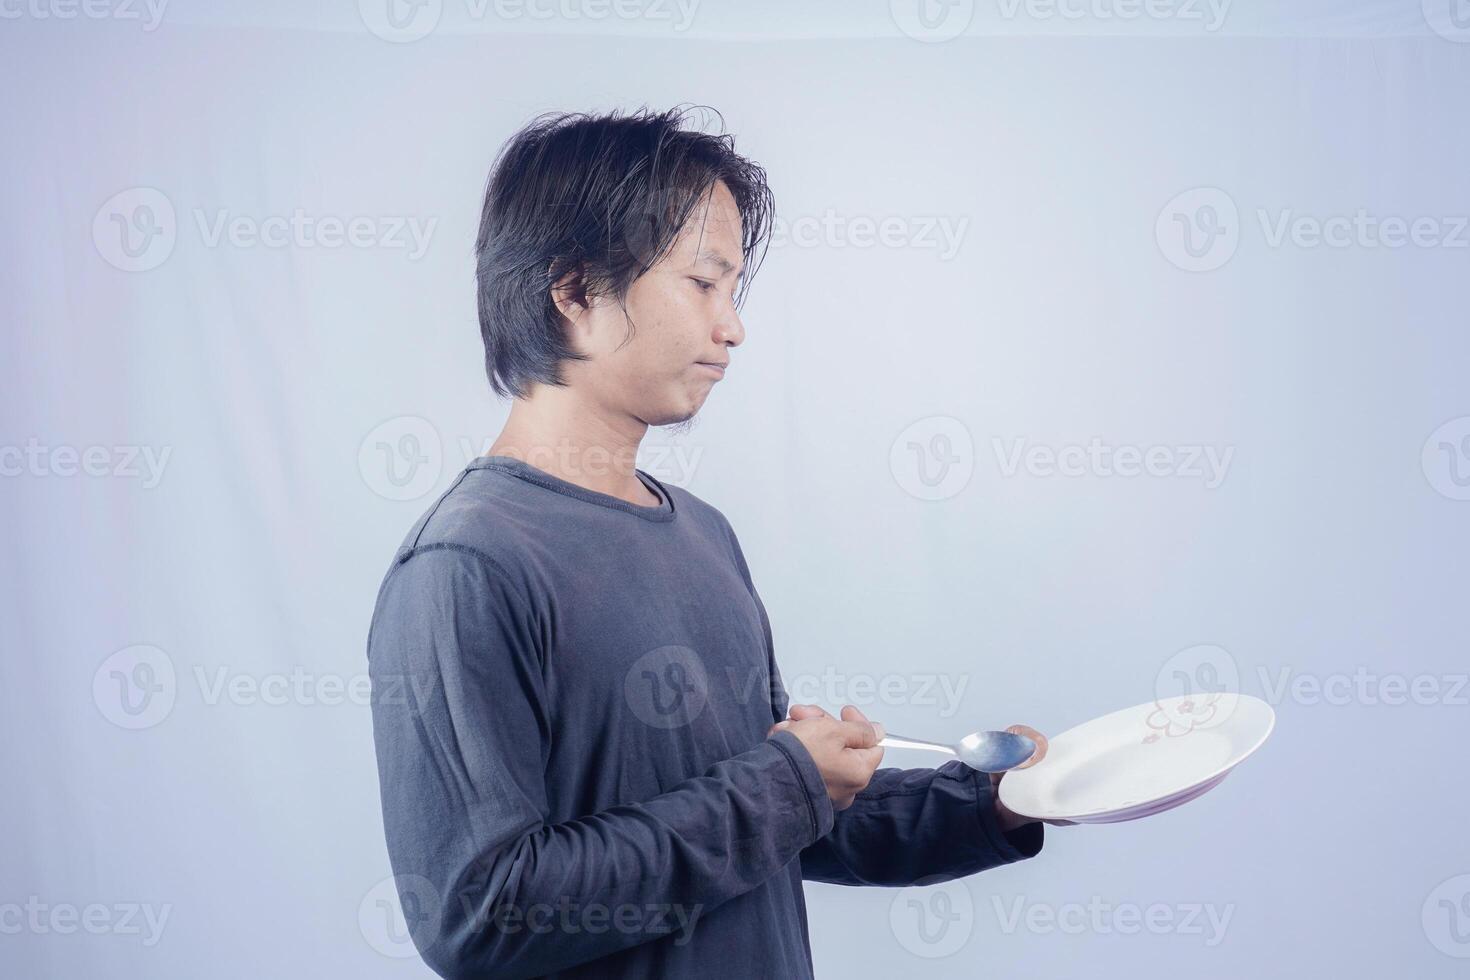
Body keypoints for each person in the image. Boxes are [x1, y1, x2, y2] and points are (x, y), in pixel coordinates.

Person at [366, 105, 1053, 980]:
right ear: (575, 291)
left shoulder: (703, 533)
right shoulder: (467, 566)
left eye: (735, 290)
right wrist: (784, 782)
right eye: (702, 282)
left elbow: (765, 829)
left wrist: (998, 803)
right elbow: (483, 914)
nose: (733, 328)